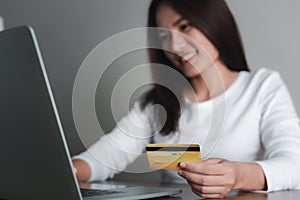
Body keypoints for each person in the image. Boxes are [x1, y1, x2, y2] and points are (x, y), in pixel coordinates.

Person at [72, 0, 300, 198]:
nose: (175, 46)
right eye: (164, 36)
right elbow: (105, 157)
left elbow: (294, 165)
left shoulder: (263, 87)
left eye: (184, 27)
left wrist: (238, 176)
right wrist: (66, 171)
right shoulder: (156, 102)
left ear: (214, 21)